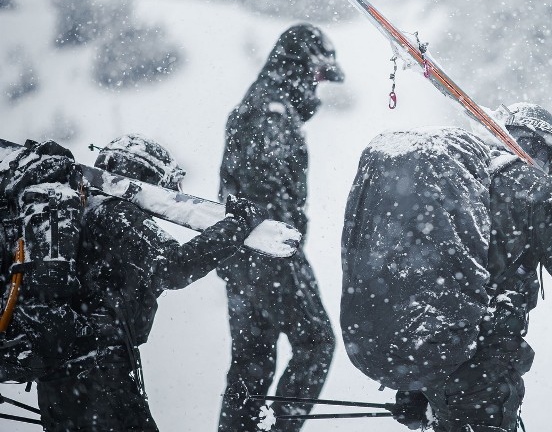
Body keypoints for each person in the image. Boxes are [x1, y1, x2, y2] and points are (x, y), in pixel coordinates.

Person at [340, 103, 552, 432]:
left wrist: (416, 387)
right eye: (551, 163)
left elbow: (430, 272)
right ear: (544, 148)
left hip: (439, 351)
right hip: (482, 362)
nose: (549, 172)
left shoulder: (463, 180)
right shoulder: (531, 186)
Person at [34, 134, 266, 432]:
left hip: (60, 378)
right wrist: (236, 225)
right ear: (143, 176)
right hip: (98, 377)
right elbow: (174, 267)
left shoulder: (81, 210)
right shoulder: (117, 214)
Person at [217, 24, 343, 431]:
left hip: (240, 252)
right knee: (317, 343)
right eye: (319, 74)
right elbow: (261, 190)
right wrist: (279, 243)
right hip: (268, 247)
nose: (319, 85)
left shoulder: (259, 105)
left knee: (251, 361)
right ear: (300, 66)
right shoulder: (270, 112)